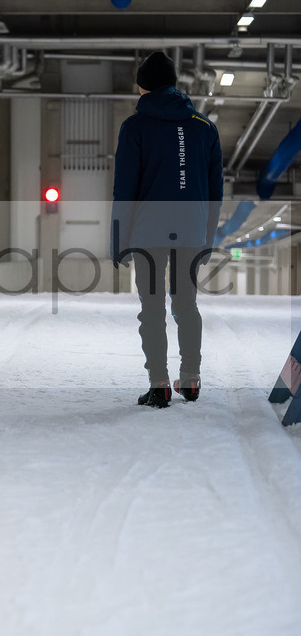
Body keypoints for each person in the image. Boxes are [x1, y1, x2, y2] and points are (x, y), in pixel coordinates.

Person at [111, 51, 223, 408]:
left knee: (153, 307)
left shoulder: (135, 127)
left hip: (148, 233)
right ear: (174, 84)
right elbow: (215, 191)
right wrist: (208, 237)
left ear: (142, 86)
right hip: (191, 232)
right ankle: (191, 379)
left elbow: (125, 188)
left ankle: (159, 384)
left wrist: (118, 239)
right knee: (186, 305)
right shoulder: (204, 127)